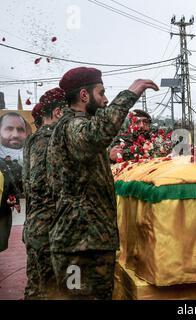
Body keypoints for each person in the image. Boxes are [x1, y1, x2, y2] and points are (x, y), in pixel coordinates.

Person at [47, 67, 159, 299]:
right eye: (101, 93)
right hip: (78, 248)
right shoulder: (71, 126)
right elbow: (95, 134)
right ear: (84, 96)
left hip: (88, 244)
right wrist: (129, 94)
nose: (106, 99)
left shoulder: (77, 126)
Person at [22, 89, 65, 299]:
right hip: (47, 228)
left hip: (38, 226)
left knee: (36, 286)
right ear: (58, 112)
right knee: (48, 290)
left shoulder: (36, 138)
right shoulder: (46, 139)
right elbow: (40, 184)